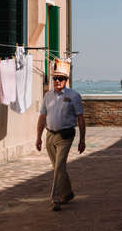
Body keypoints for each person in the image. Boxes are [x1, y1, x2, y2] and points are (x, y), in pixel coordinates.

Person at [35, 64, 86, 211]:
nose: (58, 81)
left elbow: (80, 118)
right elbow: (42, 117)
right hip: (50, 135)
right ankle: (68, 193)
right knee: (59, 168)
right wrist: (38, 137)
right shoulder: (48, 95)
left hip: (66, 135)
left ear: (66, 80)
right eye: (55, 78)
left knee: (58, 167)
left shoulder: (74, 96)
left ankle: (56, 199)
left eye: (61, 78)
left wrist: (82, 140)